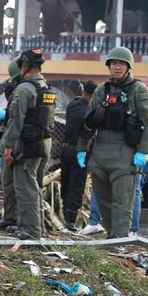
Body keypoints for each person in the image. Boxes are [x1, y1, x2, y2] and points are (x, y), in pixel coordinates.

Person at [77, 46, 148, 238]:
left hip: (124, 152)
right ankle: (112, 235)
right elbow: (89, 121)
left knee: (122, 201)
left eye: (121, 64)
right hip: (101, 151)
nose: (117, 67)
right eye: (113, 64)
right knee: (103, 200)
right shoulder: (102, 90)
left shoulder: (138, 90)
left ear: (128, 66)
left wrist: (143, 151)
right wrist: (81, 147)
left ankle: (120, 239)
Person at [1, 48, 56, 240]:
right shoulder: (46, 88)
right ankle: (31, 225)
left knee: (25, 187)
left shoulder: (24, 89)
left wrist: (9, 146)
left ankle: (32, 230)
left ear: (23, 67)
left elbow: (16, 121)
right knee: (34, 186)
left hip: (28, 143)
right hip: (44, 141)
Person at [0, 57, 22, 231]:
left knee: (21, 186)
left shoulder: (26, 91)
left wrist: (6, 116)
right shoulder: (15, 88)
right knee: (8, 183)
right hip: (10, 141)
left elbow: (16, 121)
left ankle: (21, 221)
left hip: (21, 144)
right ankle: (10, 218)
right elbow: (6, 126)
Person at [61, 80, 96, 232]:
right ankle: (70, 222)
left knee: (66, 183)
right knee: (77, 186)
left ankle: (65, 219)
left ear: (82, 91)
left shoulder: (72, 105)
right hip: (81, 151)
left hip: (66, 149)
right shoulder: (90, 111)